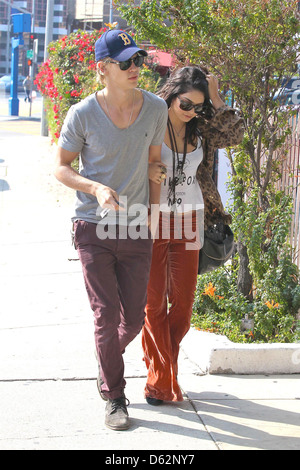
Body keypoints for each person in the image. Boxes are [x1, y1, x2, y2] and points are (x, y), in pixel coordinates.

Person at [54, 29, 168, 430]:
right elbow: (61, 168)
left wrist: (154, 215)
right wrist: (95, 187)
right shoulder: (82, 114)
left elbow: (155, 164)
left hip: (137, 227)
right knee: (105, 317)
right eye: (126, 63)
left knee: (133, 320)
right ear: (102, 69)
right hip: (93, 227)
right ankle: (116, 397)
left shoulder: (155, 109)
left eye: (138, 60)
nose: (136, 68)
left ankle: (105, 359)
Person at [144, 66, 244, 405]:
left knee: (183, 306)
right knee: (153, 303)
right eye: (187, 104)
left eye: (198, 107)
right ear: (172, 95)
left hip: (190, 220)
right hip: (154, 221)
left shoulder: (200, 130)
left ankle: (161, 368)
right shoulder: (150, 124)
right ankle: (162, 380)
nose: (192, 112)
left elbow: (234, 135)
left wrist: (216, 99)